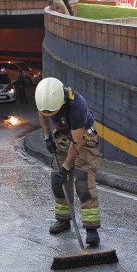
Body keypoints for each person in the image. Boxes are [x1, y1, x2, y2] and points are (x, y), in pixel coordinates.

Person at [36, 77, 102, 247]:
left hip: (83, 138)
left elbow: (77, 143)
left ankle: (91, 228)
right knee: (58, 181)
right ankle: (63, 220)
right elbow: (42, 113)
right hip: (63, 137)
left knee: (83, 182)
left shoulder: (77, 106)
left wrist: (65, 168)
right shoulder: (45, 98)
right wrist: (47, 136)